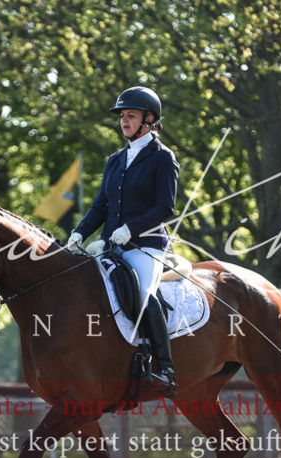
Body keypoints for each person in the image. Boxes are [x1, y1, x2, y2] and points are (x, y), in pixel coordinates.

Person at [66, 86, 181, 398]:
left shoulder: (162, 158)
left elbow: (164, 208)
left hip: (147, 245)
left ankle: (164, 367)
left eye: (131, 116)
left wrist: (131, 229)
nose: (124, 121)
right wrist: (79, 233)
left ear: (148, 119)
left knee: (143, 294)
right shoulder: (115, 160)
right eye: (122, 116)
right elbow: (101, 206)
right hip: (112, 245)